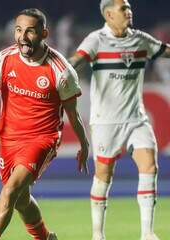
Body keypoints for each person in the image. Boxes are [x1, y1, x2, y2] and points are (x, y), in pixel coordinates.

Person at [0, 8, 89, 240]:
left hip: (42, 139)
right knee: (21, 200)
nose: (22, 36)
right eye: (19, 30)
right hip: (9, 140)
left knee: (9, 193)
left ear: (44, 33)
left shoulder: (61, 71)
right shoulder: (3, 59)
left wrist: (84, 143)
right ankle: (46, 237)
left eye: (30, 31)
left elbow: (73, 113)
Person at [68, 1, 170, 239]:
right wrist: (61, 72)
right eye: (123, 9)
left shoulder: (140, 39)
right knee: (104, 175)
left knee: (150, 167)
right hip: (106, 122)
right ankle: (97, 233)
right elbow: (76, 60)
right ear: (109, 14)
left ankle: (147, 233)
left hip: (137, 119)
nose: (129, 12)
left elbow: (165, 50)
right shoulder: (96, 40)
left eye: (129, 7)